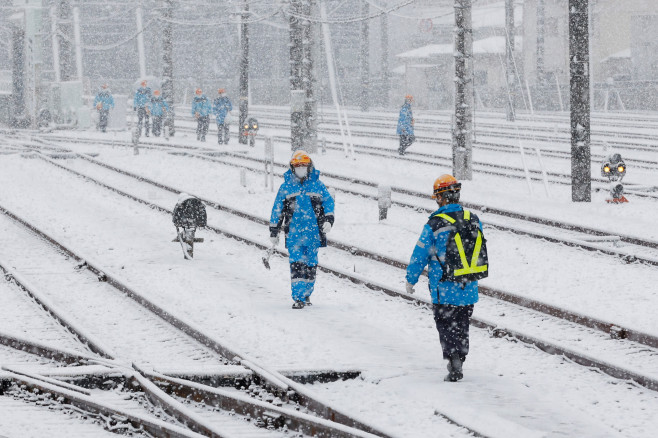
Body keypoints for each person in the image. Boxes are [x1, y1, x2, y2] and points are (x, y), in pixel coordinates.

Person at [404, 175, 488, 382]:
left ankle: (453, 358)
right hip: (468, 286)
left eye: (437, 198)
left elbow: (420, 253)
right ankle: (461, 354)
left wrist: (411, 278)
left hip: (444, 289)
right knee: (462, 325)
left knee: (446, 325)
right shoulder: (474, 219)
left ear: (441, 198)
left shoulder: (435, 224)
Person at [269, 151, 335, 309]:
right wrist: (274, 230)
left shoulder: (317, 185)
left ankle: (307, 293)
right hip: (294, 236)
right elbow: (277, 210)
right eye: (297, 166)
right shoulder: (286, 187)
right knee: (297, 265)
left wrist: (329, 220)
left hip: (313, 235)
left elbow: (328, 203)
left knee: (311, 265)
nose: (300, 169)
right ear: (292, 167)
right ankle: (298, 297)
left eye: (303, 166)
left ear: (309, 166)